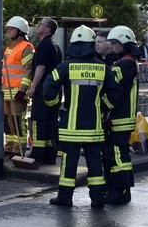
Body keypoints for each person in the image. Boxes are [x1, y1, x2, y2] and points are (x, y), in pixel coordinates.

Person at [43, 25, 119, 209]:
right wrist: (103, 107)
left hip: (70, 128)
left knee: (69, 164)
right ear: (91, 44)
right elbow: (116, 92)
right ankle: (97, 199)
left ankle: (65, 198)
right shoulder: (103, 68)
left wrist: (55, 105)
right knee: (95, 165)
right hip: (94, 128)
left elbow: (48, 87)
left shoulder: (65, 66)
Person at [103, 26, 140, 204]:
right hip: (122, 117)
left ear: (124, 44)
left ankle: (119, 191)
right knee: (121, 155)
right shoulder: (128, 62)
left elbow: (110, 85)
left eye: (114, 43)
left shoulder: (124, 64)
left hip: (120, 118)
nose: (111, 47)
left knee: (116, 155)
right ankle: (122, 190)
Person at [26, 17, 62, 165]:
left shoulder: (43, 46)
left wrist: (33, 86)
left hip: (42, 90)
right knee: (50, 122)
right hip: (54, 91)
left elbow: (40, 67)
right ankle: (49, 155)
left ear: (48, 29)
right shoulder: (55, 46)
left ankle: (37, 154)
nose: (38, 26)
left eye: (41, 24)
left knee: (38, 122)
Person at [1, 16, 34, 157]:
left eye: (12, 28)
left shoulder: (26, 47)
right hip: (6, 91)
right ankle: (9, 147)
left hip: (17, 92)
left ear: (20, 31)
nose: (9, 30)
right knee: (7, 123)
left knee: (18, 122)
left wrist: (22, 90)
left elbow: (29, 70)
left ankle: (18, 149)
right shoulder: (9, 47)